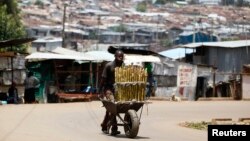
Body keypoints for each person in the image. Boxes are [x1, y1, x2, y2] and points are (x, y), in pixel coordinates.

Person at [99, 49, 124, 136]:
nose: (120, 58)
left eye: (122, 56)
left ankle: (104, 125)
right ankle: (114, 128)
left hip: (119, 89)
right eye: (119, 56)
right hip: (109, 89)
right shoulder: (109, 66)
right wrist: (100, 90)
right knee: (113, 106)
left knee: (109, 110)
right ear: (115, 56)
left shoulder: (123, 66)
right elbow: (103, 79)